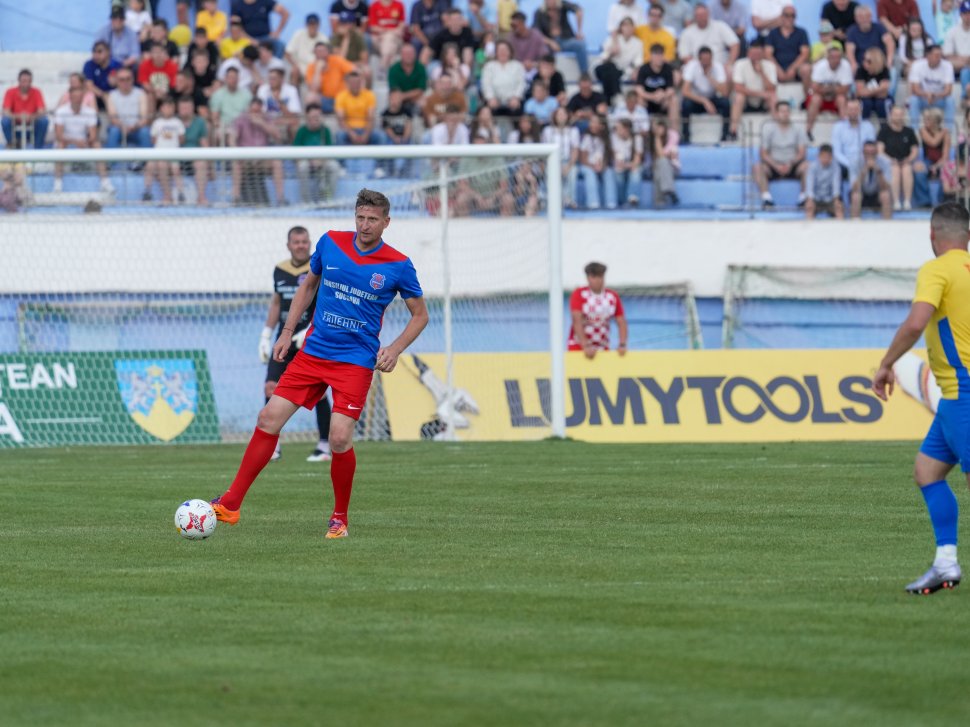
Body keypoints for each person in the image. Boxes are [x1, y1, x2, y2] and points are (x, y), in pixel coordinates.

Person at [211, 189, 429, 539]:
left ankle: (339, 518)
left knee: (339, 438)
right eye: (360, 217)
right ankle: (231, 503)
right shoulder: (330, 243)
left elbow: (420, 315)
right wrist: (285, 333)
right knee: (268, 418)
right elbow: (307, 286)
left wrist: (395, 348)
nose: (365, 224)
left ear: (386, 222)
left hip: (355, 362)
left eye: (372, 219)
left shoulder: (398, 265)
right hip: (314, 352)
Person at [872, 201, 970, 594]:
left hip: (964, 391)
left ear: (933, 236)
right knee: (926, 472)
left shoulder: (936, 269)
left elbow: (916, 322)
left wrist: (886, 363)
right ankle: (946, 562)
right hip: (953, 396)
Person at [257, 227, 335, 463]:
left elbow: (326, 304)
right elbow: (277, 302)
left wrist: (310, 330)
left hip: (311, 340)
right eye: (296, 242)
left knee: (318, 393)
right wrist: (266, 334)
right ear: (288, 245)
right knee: (271, 387)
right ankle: (273, 445)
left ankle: (324, 446)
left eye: (304, 242)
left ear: (310, 243)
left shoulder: (319, 269)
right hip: (284, 339)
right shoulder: (280, 270)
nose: (301, 245)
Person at [52, 86, 111, 193]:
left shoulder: (89, 112)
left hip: (84, 142)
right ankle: (58, 184)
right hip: (67, 142)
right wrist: (75, 142)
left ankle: (105, 182)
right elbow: (59, 135)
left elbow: (93, 135)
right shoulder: (61, 111)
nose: (78, 99)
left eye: (80, 97)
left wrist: (85, 142)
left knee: (97, 145)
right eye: (75, 97)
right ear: (70, 97)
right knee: (60, 145)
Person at [231, 97, 287, 205]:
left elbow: (278, 136)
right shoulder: (241, 119)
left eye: (258, 111)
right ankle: (236, 198)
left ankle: (281, 198)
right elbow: (232, 138)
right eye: (253, 110)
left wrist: (261, 123)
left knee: (277, 163)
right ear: (249, 109)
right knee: (236, 163)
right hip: (245, 159)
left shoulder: (266, 119)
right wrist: (237, 152)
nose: (255, 113)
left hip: (262, 160)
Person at [753, 100, 809, 207]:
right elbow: (763, 153)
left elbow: (802, 152)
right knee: (757, 167)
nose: (785, 113)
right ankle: (766, 198)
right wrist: (776, 165)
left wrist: (790, 164)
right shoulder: (768, 129)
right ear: (776, 113)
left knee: (807, 166)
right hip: (774, 165)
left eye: (787, 111)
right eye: (782, 111)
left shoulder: (798, 129)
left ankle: (803, 198)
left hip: (793, 165)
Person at [568, 262, 628, 359]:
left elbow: (621, 321)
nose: (597, 280)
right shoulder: (579, 294)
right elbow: (577, 320)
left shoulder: (612, 297)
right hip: (579, 348)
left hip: (602, 348)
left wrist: (622, 344)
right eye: (594, 277)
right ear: (588, 278)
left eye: (600, 277)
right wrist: (585, 345)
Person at [680, 45, 731, 143]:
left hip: (712, 98)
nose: (706, 62)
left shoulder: (718, 66)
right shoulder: (692, 66)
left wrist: (710, 77)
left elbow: (725, 92)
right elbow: (685, 91)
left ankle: (725, 135)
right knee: (685, 104)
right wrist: (704, 101)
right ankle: (685, 135)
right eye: (704, 60)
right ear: (699, 60)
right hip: (697, 99)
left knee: (726, 103)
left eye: (708, 59)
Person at [730, 38, 777, 139]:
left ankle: (778, 130)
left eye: (758, 54)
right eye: (753, 54)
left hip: (763, 101)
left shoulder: (770, 66)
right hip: (747, 100)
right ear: (748, 53)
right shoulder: (740, 64)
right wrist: (760, 94)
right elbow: (738, 87)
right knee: (739, 97)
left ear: (763, 54)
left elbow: (772, 88)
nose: (755, 57)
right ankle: (733, 131)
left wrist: (762, 73)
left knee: (773, 97)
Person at [293, 103, 340, 200]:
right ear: (307, 117)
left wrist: (321, 161)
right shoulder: (301, 131)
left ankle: (329, 199)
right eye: (313, 117)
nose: (316, 119)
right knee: (302, 167)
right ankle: (306, 201)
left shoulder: (325, 131)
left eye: (318, 116)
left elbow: (330, 151)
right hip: (306, 161)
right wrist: (310, 160)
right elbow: (295, 153)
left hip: (323, 161)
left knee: (334, 166)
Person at [878, 104, 920, 210]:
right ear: (891, 115)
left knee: (907, 169)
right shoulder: (884, 131)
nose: (898, 116)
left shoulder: (909, 131)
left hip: (905, 161)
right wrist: (891, 160)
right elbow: (880, 151)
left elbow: (915, 150)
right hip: (889, 161)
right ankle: (896, 201)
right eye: (895, 114)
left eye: (900, 114)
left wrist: (908, 159)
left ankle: (907, 201)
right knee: (895, 169)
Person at [146, 96, 186, 205]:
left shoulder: (177, 122)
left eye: (171, 107)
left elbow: (182, 138)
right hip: (159, 153)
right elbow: (153, 139)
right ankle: (148, 191)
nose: (168, 110)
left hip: (174, 154)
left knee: (175, 170)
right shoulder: (157, 123)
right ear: (161, 109)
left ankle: (181, 192)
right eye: (166, 107)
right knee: (151, 166)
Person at [806, 43, 853, 137]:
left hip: (836, 99)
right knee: (815, 99)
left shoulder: (846, 66)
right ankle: (808, 129)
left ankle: (845, 130)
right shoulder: (820, 66)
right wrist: (835, 89)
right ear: (827, 58)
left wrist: (826, 89)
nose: (836, 60)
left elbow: (846, 89)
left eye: (838, 57)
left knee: (841, 99)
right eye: (833, 57)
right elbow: (814, 88)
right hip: (821, 98)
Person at [532, 0, 588, 72]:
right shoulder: (539, 12)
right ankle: (545, 75)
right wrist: (550, 42)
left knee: (581, 45)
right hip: (548, 43)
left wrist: (579, 31)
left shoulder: (563, 6)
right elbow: (536, 33)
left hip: (565, 39)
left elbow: (579, 10)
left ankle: (585, 75)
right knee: (543, 52)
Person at [765, 5, 811, 92]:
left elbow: (804, 53)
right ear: (781, 17)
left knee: (806, 69)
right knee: (763, 67)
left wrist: (792, 69)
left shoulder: (801, 32)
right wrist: (778, 70)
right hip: (776, 67)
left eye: (793, 16)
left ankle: (807, 99)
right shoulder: (773, 33)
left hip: (796, 67)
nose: (790, 18)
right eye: (787, 15)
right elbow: (768, 54)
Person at [908, 44, 955, 128]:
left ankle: (949, 131)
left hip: (939, 98)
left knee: (950, 100)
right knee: (913, 100)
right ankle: (913, 130)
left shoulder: (947, 65)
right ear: (928, 56)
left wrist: (934, 95)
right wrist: (926, 94)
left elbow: (948, 90)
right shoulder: (917, 65)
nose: (939, 58)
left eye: (941, 55)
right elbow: (915, 89)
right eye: (936, 56)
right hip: (923, 98)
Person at [335, 71, 385, 149]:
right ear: (347, 83)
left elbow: (371, 118)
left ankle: (380, 161)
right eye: (353, 82)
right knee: (340, 135)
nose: (355, 85)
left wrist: (366, 134)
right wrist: (352, 134)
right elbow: (341, 119)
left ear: (361, 82)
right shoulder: (341, 96)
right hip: (349, 129)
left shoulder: (369, 95)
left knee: (381, 136)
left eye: (357, 82)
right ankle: (343, 161)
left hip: (365, 128)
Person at [541, 106, 580, 207]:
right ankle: (552, 201)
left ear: (568, 116)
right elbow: (544, 151)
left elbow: (575, 150)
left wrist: (569, 165)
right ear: (555, 116)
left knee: (573, 172)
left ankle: (569, 200)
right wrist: (555, 164)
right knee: (549, 172)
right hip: (552, 162)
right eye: (559, 114)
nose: (561, 117)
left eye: (564, 114)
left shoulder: (573, 131)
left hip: (568, 161)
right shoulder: (547, 131)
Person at [831, 97, 877, 180]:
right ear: (845, 110)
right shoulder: (838, 127)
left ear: (860, 110)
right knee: (835, 168)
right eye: (850, 109)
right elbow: (836, 152)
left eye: (856, 109)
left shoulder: (868, 126)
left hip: (864, 162)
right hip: (845, 163)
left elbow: (872, 149)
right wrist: (850, 165)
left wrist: (861, 163)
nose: (853, 112)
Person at [2, 70, 48, 149]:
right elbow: (5, 111)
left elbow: (42, 111)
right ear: (19, 81)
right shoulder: (10, 92)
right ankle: (12, 145)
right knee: (5, 121)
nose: (26, 84)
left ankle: (38, 149)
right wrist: (19, 116)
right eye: (24, 81)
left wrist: (31, 116)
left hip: (32, 126)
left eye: (28, 81)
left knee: (44, 121)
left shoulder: (36, 92)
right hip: (15, 125)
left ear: (31, 81)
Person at [176, 96, 210, 205]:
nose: (185, 110)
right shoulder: (173, 122)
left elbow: (204, 144)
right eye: (182, 108)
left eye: (187, 107)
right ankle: (170, 198)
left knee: (201, 163)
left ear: (192, 108)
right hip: (176, 156)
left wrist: (211, 165)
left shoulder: (199, 122)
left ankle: (201, 197)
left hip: (194, 156)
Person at [105, 67, 151, 149]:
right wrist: (123, 127)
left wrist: (134, 126)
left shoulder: (141, 93)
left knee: (145, 131)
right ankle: (112, 161)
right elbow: (113, 117)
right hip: (119, 128)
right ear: (117, 81)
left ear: (132, 79)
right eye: (122, 79)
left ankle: (148, 161)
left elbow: (144, 117)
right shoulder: (112, 95)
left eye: (128, 79)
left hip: (137, 128)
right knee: (113, 131)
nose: (125, 82)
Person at [579, 115, 617, 210]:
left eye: (595, 122)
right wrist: (593, 166)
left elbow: (608, 157)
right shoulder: (586, 137)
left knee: (609, 172)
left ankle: (611, 204)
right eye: (591, 122)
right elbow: (583, 159)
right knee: (590, 173)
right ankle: (593, 203)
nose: (592, 125)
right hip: (587, 165)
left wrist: (602, 166)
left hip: (602, 165)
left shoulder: (608, 139)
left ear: (602, 126)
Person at [304, 42, 356, 111]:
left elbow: (355, 71)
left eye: (323, 51)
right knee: (310, 98)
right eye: (318, 51)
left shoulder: (336, 60)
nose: (321, 53)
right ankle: (315, 118)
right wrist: (318, 70)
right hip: (325, 100)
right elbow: (313, 89)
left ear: (327, 52)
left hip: (342, 98)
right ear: (314, 53)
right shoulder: (311, 67)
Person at [637, 43, 678, 129]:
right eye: (656, 55)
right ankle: (642, 130)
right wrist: (652, 96)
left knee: (674, 100)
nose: (659, 58)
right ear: (651, 56)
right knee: (639, 100)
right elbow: (639, 90)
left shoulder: (667, 68)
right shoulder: (644, 69)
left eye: (661, 55)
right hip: (648, 100)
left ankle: (673, 132)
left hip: (663, 100)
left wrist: (663, 95)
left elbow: (671, 89)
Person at [481, 40, 526, 116]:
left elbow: (521, 83)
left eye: (505, 50)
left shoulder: (517, 66)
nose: (502, 52)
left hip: (513, 100)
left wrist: (516, 97)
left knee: (518, 109)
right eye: (500, 50)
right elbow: (486, 84)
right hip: (494, 100)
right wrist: (491, 98)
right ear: (496, 52)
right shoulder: (489, 66)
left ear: (510, 52)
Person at [850, 139, 894, 216]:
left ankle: (887, 225)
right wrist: (864, 171)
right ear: (863, 152)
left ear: (876, 152)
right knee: (855, 196)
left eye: (872, 153)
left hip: (877, 193)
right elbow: (854, 187)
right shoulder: (855, 162)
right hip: (862, 193)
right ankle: (855, 224)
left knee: (886, 195)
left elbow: (886, 187)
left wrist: (878, 171)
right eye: (867, 153)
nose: (869, 155)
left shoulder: (885, 162)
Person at [845, 5, 895, 73]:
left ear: (871, 17)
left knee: (893, 71)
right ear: (856, 18)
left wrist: (889, 60)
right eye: (861, 17)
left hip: (879, 63)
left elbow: (890, 43)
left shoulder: (879, 27)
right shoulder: (852, 31)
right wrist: (853, 64)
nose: (864, 19)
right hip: (861, 65)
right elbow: (850, 50)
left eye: (867, 16)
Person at [285, 13, 328, 86]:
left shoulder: (324, 38)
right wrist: (295, 65)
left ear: (318, 25)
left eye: (314, 24)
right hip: (300, 66)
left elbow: (327, 57)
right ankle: (294, 94)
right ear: (306, 25)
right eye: (310, 24)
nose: (312, 26)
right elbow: (287, 53)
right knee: (294, 71)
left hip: (316, 67)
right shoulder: (299, 34)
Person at [210, 66, 250, 141]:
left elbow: (249, 114)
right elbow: (214, 116)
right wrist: (219, 126)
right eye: (231, 77)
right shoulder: (218, 95)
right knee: (223, 133)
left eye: (235, 77)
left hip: (243, 125)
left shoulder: (247, 95)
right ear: (225, 78)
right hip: (224, 126)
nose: (233, 80)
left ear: (238, 79)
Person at [804, 143, 844, 218]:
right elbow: (810, 186)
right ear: (819, 156)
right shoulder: (812, 167)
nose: (825, 159)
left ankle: (841, 229)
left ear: (831, 157)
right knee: (809, 206)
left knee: (839, 207)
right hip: (816, 199)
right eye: (823, 156)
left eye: (827, 157)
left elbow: (836, 186)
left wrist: (836, 200)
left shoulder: (836, 168)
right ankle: (808, 229)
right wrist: (810, 199)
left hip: (830, 199)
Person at [138, 42, 179, 113]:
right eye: (155, 52)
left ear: (165, 53)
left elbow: (173, 84)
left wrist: (164, 92)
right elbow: (144, 83)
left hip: (167, 92)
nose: (158, 55)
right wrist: (155, 91)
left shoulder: (172, 66)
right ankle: (150, 121)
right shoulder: (144, 65)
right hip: (152, 93)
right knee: (150, 97)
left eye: (160, 52)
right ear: (151, 54)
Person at [611, 118, 643, 207]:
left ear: (626, 129)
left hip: (633, 163)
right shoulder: (614, 138)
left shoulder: (637, 138)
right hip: (620, 163)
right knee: (618, 174)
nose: (616, 130)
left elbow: (638, 157)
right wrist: (623, 165)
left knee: (635, 172)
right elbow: (616, 157)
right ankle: (621, 201)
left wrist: (630, 165)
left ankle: (633, 199)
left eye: (619, 128)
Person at [388, 43, 427, 115]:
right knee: (394, 99)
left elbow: (421, 89)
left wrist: (403, 96)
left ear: (415, 54)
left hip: (415, 98)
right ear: (401, 55)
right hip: (398, 97)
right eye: (406, 54)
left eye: (411, 53)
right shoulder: (394, 69)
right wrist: (399, 97)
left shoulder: (420, 68)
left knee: (423, 102)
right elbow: (394, 89)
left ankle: (426, 124)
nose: (409, 56)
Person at [854, 46, 892, 120]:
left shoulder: (884, 70)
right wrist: (878, 90)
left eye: (868, 60)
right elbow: (860, 92)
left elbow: (884, 93)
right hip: (865, 99)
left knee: (880, 104)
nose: (864, 62)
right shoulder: (860, 70)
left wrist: (867, 91)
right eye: (864, 59)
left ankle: (884, 127)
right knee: (866, 103)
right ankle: (864, 126)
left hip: (880, 99)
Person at [649, 118, 681, 207]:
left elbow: (663, 154)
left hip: (672, 167)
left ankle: (660, 202)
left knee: (662, 163)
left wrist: (658, 138)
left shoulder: (672, 135)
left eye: (660, 127)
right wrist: (656, 137)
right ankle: (669, 190)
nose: (658, 130)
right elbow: (658, 156)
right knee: (659, 166)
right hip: (653, 167)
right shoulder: (649, 138)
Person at [83, 41, 121, 112]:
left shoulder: (117, 65)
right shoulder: (89, 65)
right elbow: (89, 85)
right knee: (88, 93)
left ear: (108, 52)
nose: (96, 55)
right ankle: (95, 121)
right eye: (94, 52)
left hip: (114, 96)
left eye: (100, 52)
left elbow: (123, 84)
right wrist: (103, 95)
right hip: (98, 96)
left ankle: (116, 120)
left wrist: (116, 83)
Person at [944, 1, 970, 92]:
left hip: (963, 64)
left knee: (965, 71)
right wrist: (965, 60)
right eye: (965, 13)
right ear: (960, 15)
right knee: (949, 63)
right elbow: (947, 55)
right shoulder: (952, 31)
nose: (968, 17)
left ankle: (966, 98)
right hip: (958, 64)